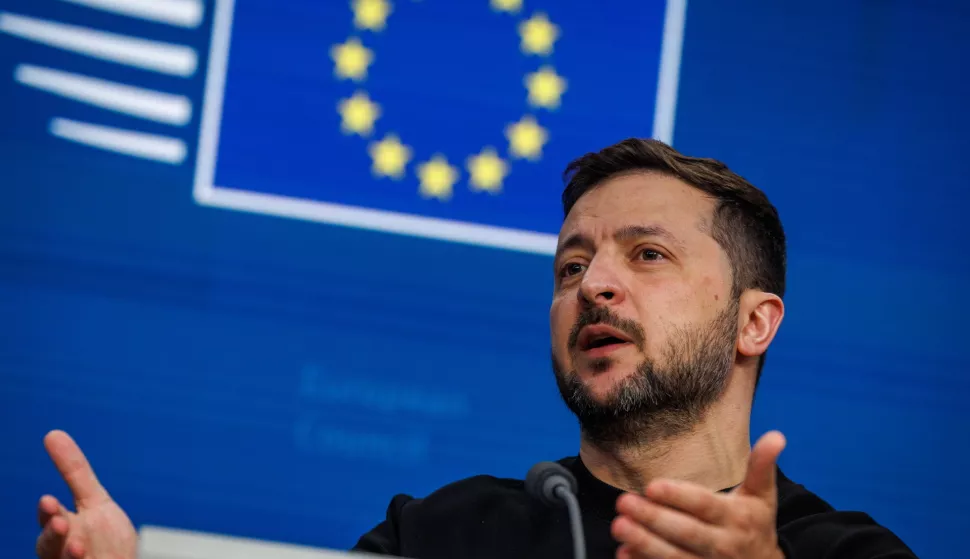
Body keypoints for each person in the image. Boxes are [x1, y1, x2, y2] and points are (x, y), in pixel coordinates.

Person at [34, 139, 917, 559]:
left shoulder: (845, 554)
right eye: (574, 264)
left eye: (647, 254)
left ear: (754, 322)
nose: (594, 286)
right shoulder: (440, 532)